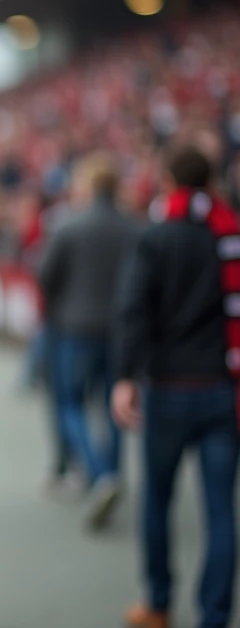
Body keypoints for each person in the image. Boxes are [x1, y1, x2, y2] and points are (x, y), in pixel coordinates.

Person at [114, 145, 240, 628]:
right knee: (220, 510)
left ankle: (159, 602)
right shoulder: (227, 235)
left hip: (168, 389)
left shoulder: (156, 238)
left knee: (158, 501)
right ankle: (216, 614)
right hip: (222, 389)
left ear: (168, 182)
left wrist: (125, 377)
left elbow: (133, 312)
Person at [38, 152, 137, 529]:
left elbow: (46, 275)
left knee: (70, 403)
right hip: (119, 331)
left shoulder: (67, 226)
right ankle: (110, 470)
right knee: (115, 407)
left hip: (75, 328)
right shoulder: (135, 227)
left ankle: (99, 475)